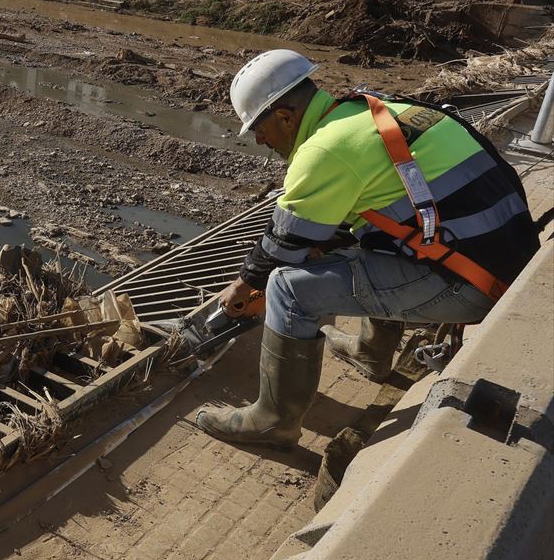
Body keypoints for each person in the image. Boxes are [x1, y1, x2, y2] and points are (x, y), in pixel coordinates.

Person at [195, 49, 539, 448]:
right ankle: (370, 354)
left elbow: (282, 248)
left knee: (287, 290)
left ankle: (274, 421)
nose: (260, 139)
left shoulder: (323, 150)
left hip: (474, 285)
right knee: (364, 242)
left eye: (259, 128)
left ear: (286, 116)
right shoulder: (378, 110)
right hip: (510, 263)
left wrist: (241, 287)